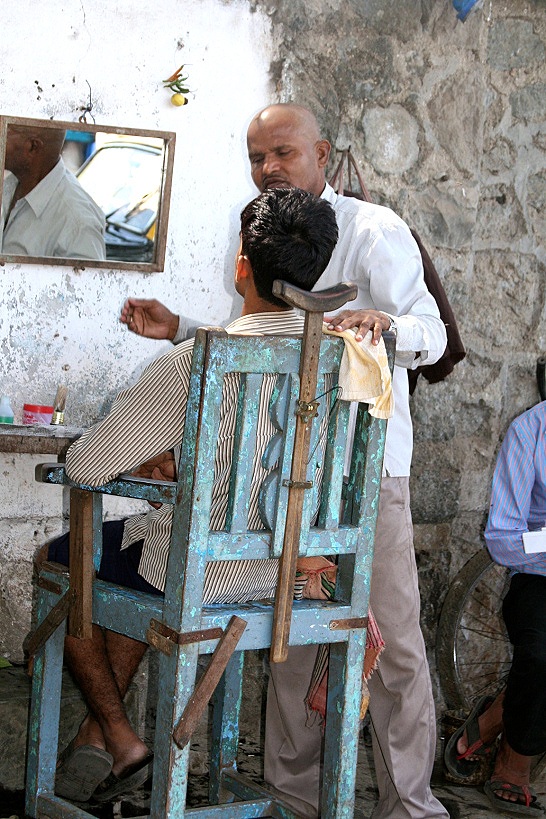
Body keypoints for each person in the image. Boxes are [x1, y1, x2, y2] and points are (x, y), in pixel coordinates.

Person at [120, 103, 449, 819]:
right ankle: (293, 801)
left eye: (282, 153)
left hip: (367, 478)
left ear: (322, 152)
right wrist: (179, 327)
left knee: (391, 646)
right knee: (291, 644)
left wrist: (385, 322)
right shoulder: (264, 233)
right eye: (256, 157)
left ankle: (412, 807)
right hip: (276, 474)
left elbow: (432, 331)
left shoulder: (373, 230)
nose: (267, 168)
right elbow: (254, 334)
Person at [38, 186, 340, 805]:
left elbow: (91, 467)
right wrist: (183, 464)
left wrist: (138, 458)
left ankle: (120, 740)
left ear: (241, 265)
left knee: (63, 561)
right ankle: (100, 743)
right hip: (294, 573)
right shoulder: (349, 361)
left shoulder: (198, 361)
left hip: (209, 573)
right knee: (134, 568)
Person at [445, 401, 546, 817]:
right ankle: (513, 762)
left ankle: (508, 706)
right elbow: (503, 538)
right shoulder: (531, 430)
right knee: (541, 657)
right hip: (539, 578)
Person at [1, 124, 105, 259]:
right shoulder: (11, 184)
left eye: (4, 133)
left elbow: (84, 279)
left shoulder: (78, 223)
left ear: (33, 147)